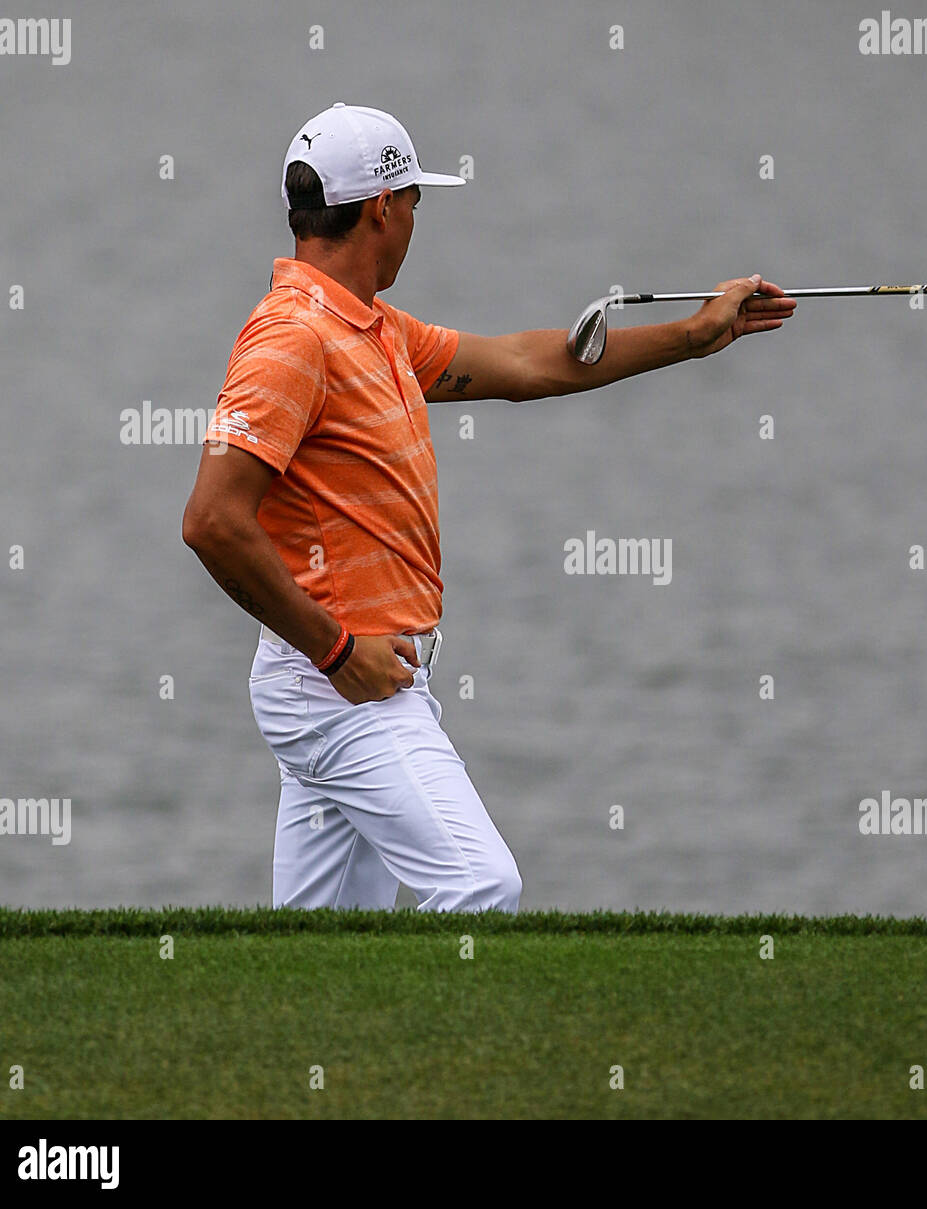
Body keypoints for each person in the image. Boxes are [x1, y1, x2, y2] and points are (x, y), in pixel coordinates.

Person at [181, 102, 796, 912]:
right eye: (414, 203)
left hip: (343, 678)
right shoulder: (294, 339)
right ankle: (451, 1045)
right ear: (379, 209)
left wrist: (692, 334)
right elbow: (212, 520)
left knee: (324, 945)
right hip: (340, 682)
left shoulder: (371, 330)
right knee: (480, 884)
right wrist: (336, 651)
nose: (413, 220)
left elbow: (525, 363)